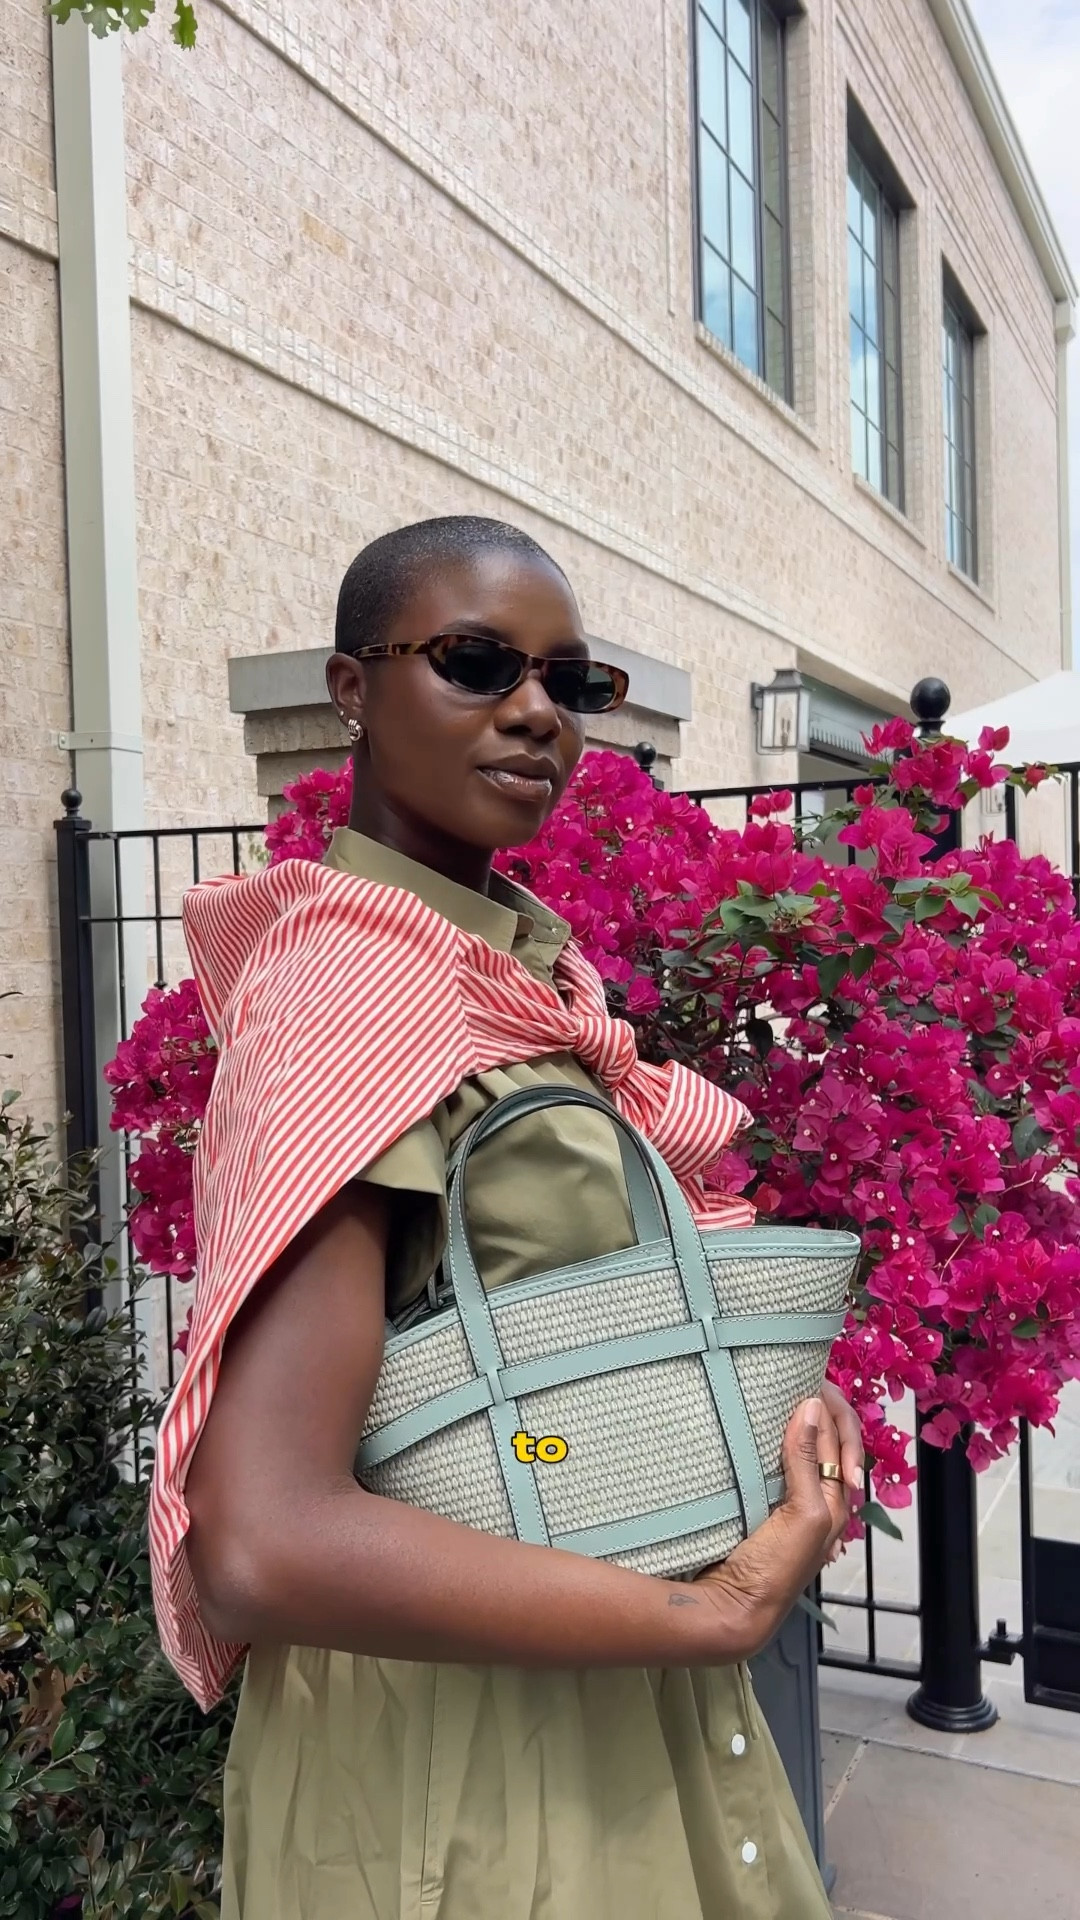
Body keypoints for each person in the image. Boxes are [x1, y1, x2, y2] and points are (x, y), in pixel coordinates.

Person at [159, 515, 863, 1920]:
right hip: (464, 1771)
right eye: (477, 663)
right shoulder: (350, 1001)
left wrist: (753, 1417)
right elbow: (265, 1535)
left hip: (598, 1678)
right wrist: (713, 1611)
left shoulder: (516, 985)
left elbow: (512, 1410)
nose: (536, 711)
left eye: (572, 683)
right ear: (352, 690)